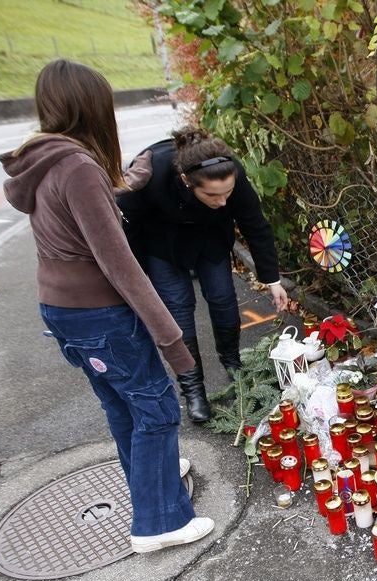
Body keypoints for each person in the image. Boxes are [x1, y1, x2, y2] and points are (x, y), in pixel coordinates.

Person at [0, 59, 214, 554]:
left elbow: (80, 212)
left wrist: (125, 180)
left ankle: (152, 476)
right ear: (93, 109)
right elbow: (121, 267)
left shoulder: (43, 160)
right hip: (100, 314)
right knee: (156, 408)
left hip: (60, 310)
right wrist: (173, 340)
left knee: (119, 401)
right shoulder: (78, 168)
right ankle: (160, 522)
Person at [118, 130, 288, 422]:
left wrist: (272, 280)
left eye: (228, 193)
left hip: (211, 238)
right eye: (212, 194)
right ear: (186, 180)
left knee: (223, 299)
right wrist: (138, 275)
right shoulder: (152, 175)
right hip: (163, 244)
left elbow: (255, 226)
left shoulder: (231, 173)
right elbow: (128, 226)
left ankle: (233, 364)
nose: (223, 201)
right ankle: (193, 388)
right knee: (179, 311)